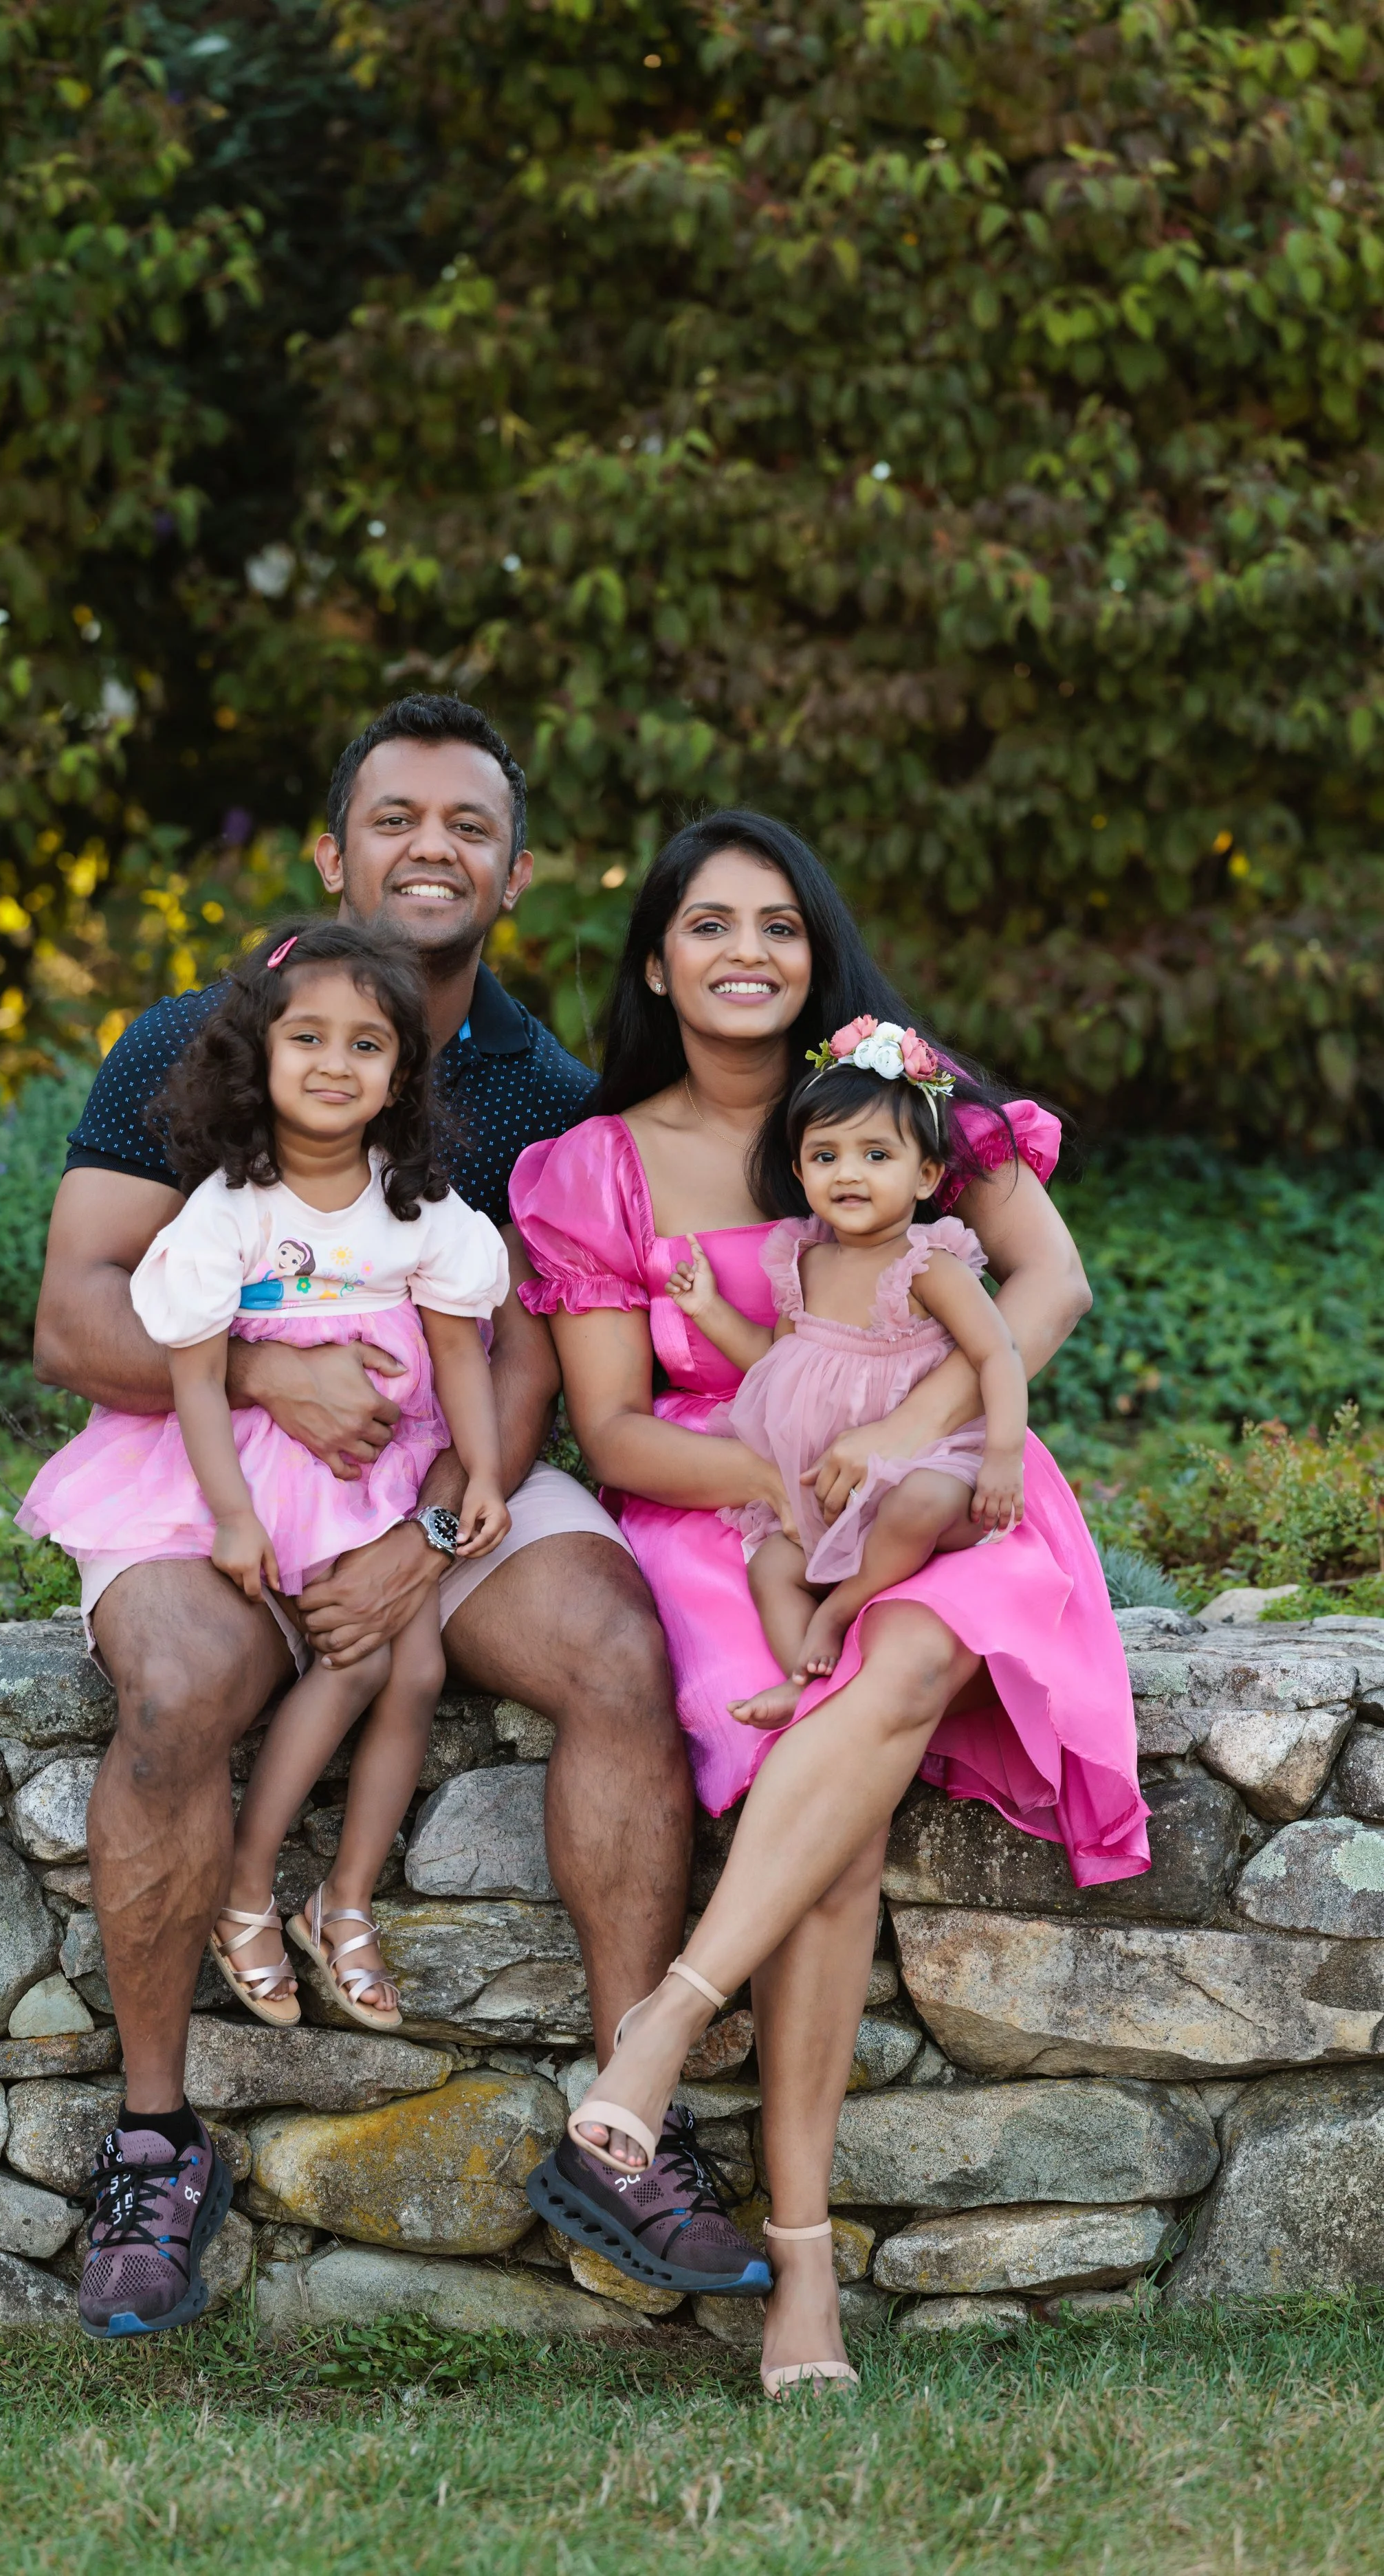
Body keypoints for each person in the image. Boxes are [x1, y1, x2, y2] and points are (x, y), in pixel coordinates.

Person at [31, 697, 762, 2339]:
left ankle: (624, 2129)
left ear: (514, 871)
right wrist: (272, 1377)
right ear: (330, 851)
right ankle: (153, 2146)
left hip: (433, 1469)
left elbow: (526, 1354)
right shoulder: (195, 1039)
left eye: (469, 825)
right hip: (204, 1459)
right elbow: (76, 1316)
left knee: (615, 1648)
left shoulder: (543, 1089)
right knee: (176, 1685)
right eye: (395, 818)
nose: (432, 848)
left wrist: (423, 1540)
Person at [512, 810, 1147, 2397]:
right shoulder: (595, 1166)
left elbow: (1050, 1285)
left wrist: (921, 1428)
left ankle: (656, 2034)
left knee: (913, 1650)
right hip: (729, 1514)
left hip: (942, 1490)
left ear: (817, 949)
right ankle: (802, 2262)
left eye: (778, 923)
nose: (747, 952)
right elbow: (617, 1431)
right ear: (653, 963)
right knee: (836, 1820)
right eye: (708, 924)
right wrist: (796, 1488)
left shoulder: (901, 1100)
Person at [21, 921, 512, 2080]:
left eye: (367, 1044)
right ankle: (248, 1886)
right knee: (357, 1658)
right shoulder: (226, 1211)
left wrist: (483, 1474)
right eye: (308, 1039)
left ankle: (341, 1897)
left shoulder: (420, 1207)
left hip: (374, 1471)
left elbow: (461, 1353)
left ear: (402, 1074)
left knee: (412, 1666)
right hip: (250, 1469)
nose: (336, 1063)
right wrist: (235, 1517)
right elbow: (196, 1379)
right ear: (260, 1055)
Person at [665, 1024, 1028, 1722]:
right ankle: (801, 1684)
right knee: (771, 1566)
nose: (848, 1173)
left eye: (876, 1155)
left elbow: (998, 1353)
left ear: (926, 1176)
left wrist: (1004, 1455)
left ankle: (839, 1610)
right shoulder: (801, 1261)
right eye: (825, 1155)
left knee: (918, 1501)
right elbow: (775, 1363)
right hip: (832, 1496)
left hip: (927, 1469)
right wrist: (708, 1309)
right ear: (800, 1172)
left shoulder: (928, 1265)